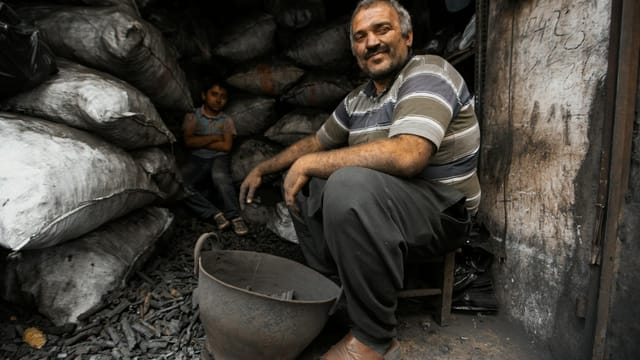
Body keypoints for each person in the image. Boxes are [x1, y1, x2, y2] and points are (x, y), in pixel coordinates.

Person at [239, 0, 480, 358]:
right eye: (360, 37)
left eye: (383, 29)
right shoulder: (358, 100)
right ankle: (337, 291)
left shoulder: (428, 72)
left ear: (408, 35)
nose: (372, 43)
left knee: (346, 183)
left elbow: (408, 154)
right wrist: (265, 168)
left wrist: (312, 163)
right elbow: (315, 142)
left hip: (443, 210)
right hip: (392, 202)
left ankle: (374, 339)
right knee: (307, 185)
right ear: (354, 50)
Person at [181, 79, 249, 236]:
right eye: (214, 94)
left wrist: (201, 141)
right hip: (197, 158)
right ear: (204, 95)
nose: (218, 99)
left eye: (223, 96)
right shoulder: (192, 116)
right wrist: (214, 138)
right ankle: (214, 213)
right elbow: (188, 142)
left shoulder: (226, 120)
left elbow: (226, 147)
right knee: (181, 184)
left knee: (220, 178)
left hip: (220, 157)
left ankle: (235, 216)